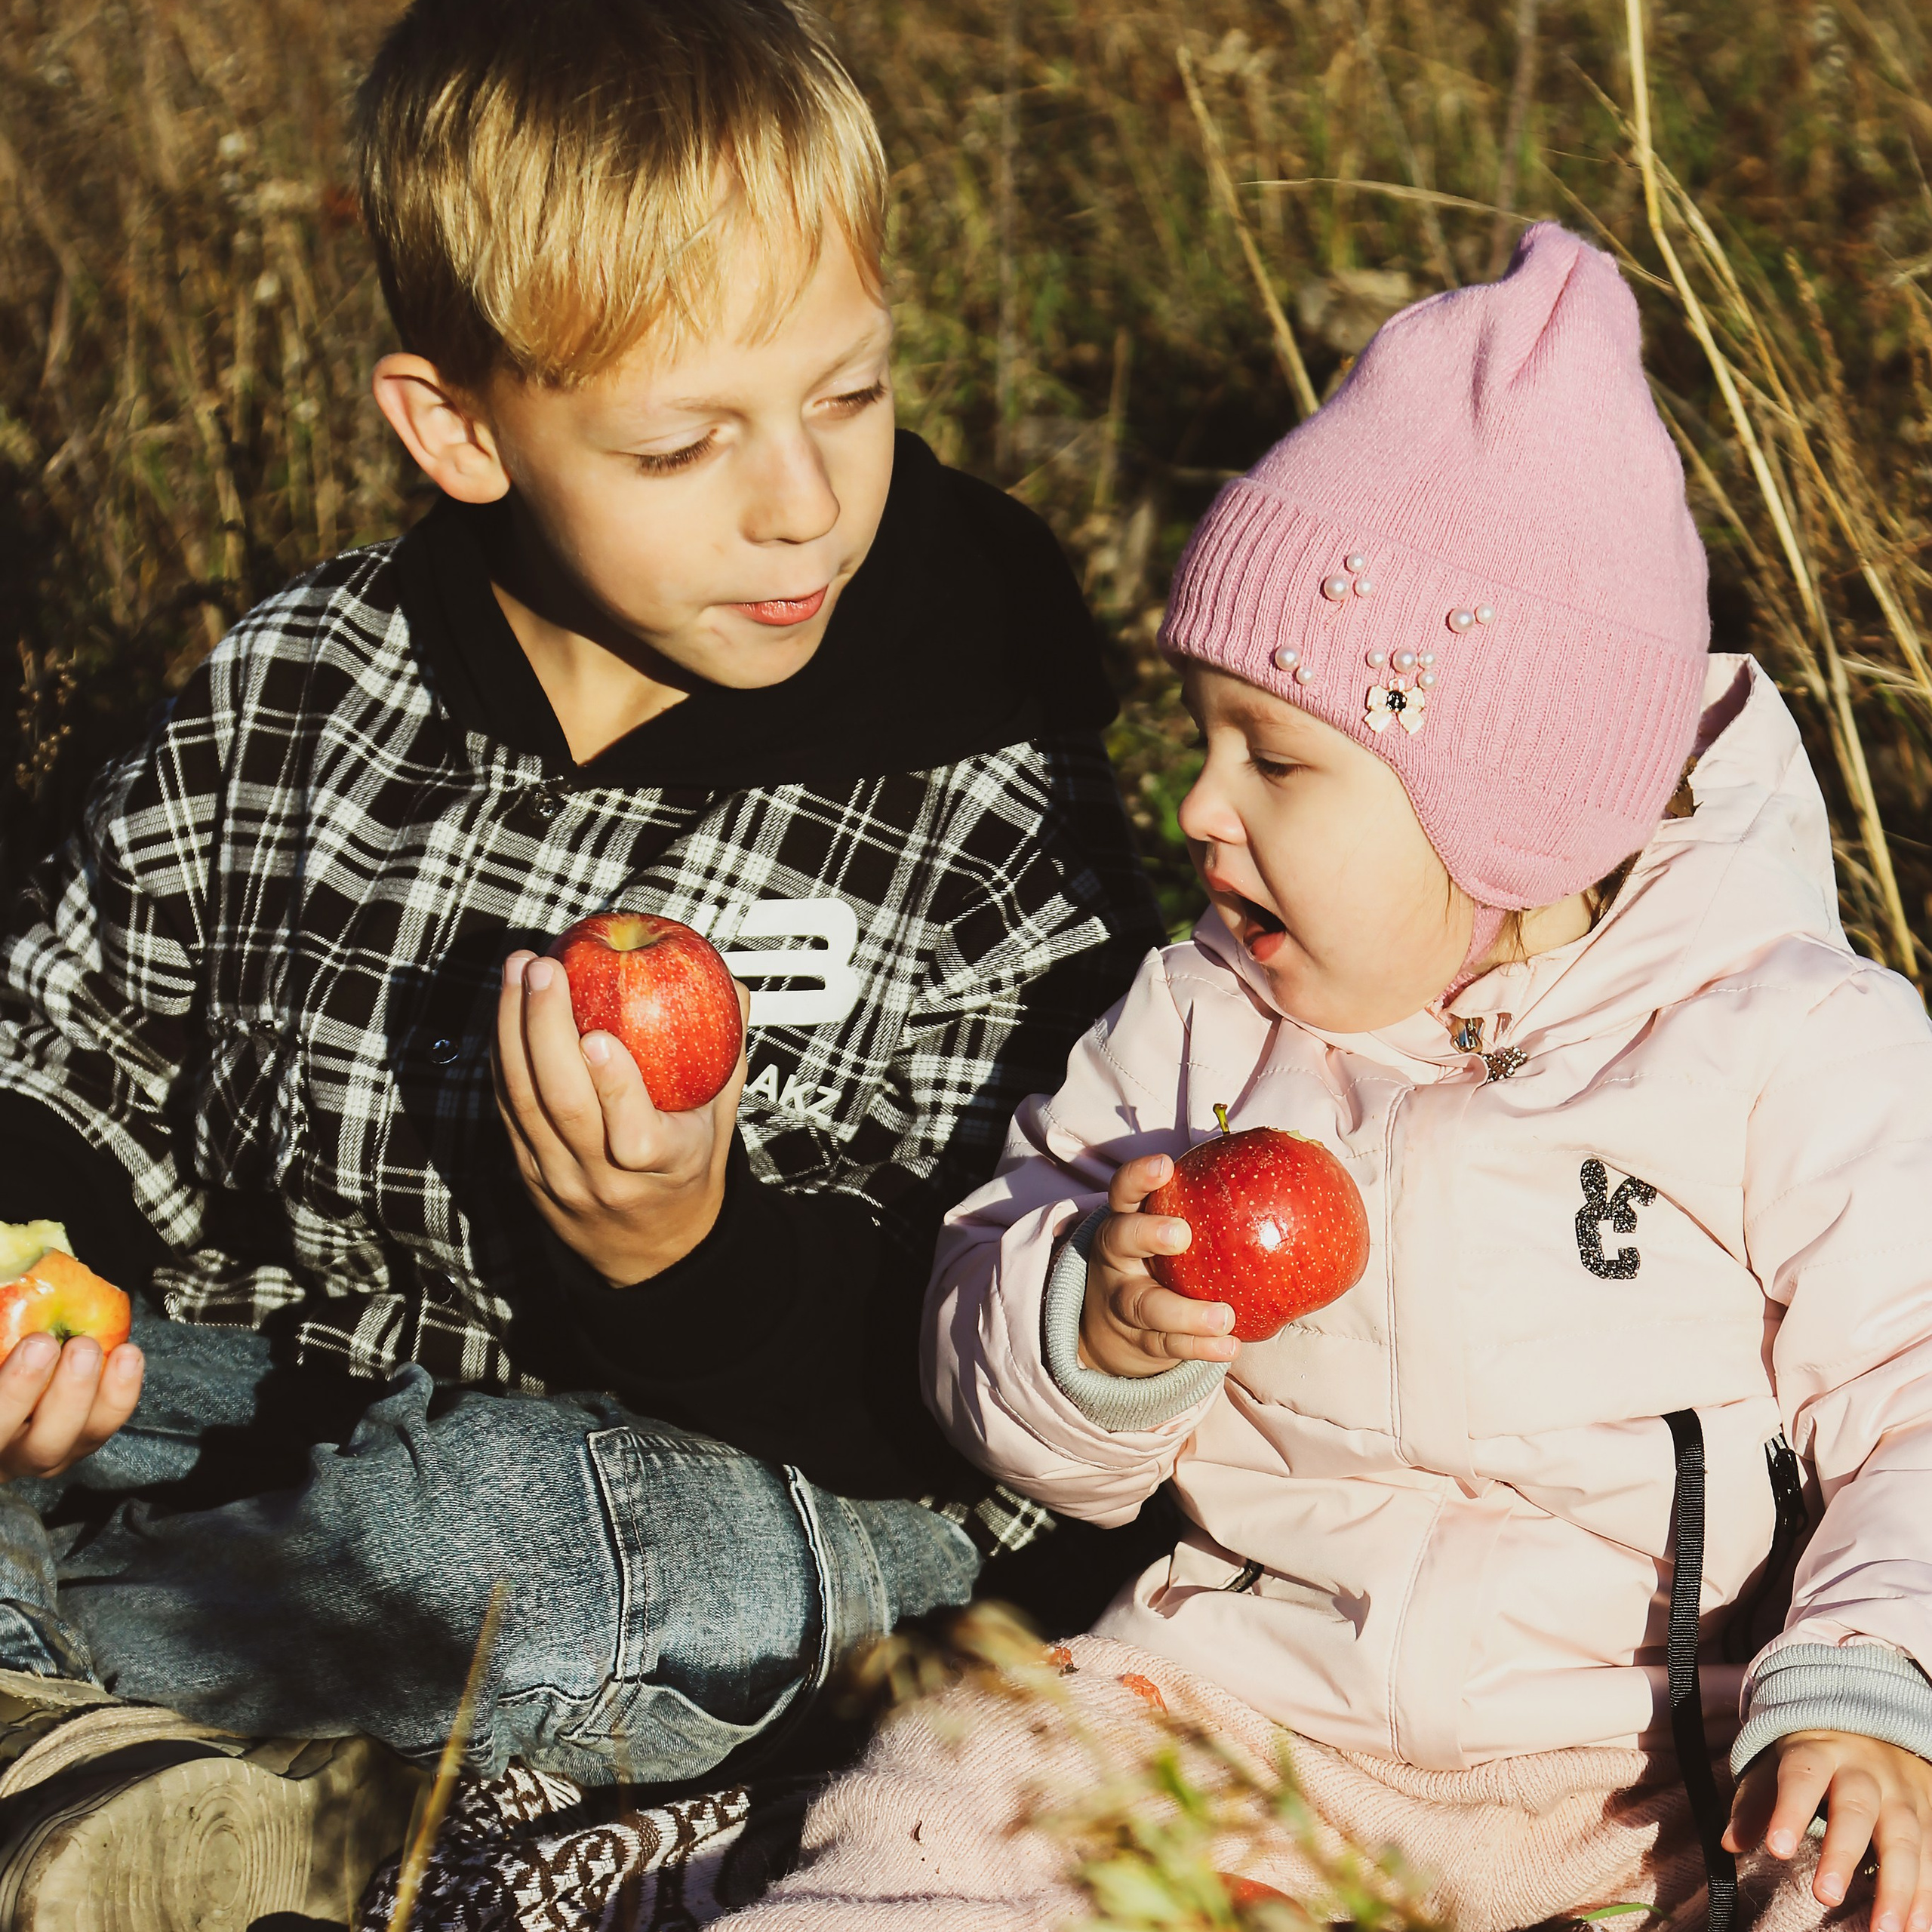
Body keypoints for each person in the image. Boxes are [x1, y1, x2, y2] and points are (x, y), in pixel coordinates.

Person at [0, 0, 1162, 1912]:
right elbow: (79, 1044)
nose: (801, 501)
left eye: (849, 395)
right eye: (682, 441)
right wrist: (37, 1259)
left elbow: (1000, 1353)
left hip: (723, 1495)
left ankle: (65, 1703)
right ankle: (163, 1766)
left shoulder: (982, 794)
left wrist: (683, 1257)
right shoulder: (307, 686)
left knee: (534, 1546)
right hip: (265, 1394)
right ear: (459, 430)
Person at [719, 226, 1932, 1932]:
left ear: (1506, 809)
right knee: (960, 1790)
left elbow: (1913, 1394)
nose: (1197, 807)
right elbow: (989, 1332)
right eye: (1200, 734)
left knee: (1867, 1882)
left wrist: (1865, 1683)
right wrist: (1094, 1335)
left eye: (1273, 759)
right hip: (1247, 1734)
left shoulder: (1781, 1042)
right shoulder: (1197, 1024)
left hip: (1664, 1783)